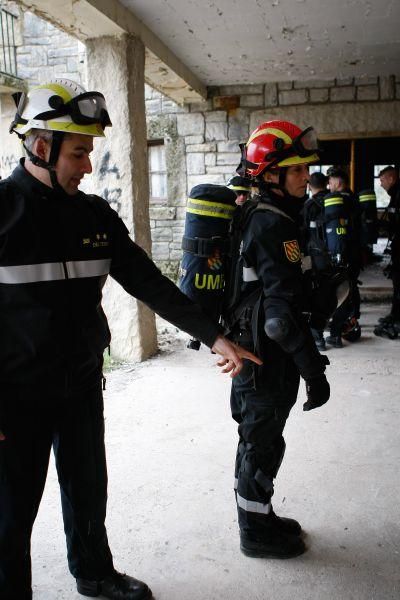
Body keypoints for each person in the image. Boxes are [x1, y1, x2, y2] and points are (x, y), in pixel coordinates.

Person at [0, 79, 261, 600]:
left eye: (90, 152)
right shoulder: (3, 213)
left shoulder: (93, 215)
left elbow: (147, 281)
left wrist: (214, 337)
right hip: (15, 396)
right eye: (79, 152)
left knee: (87, 489)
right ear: (42, 146)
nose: (88, 165)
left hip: (77, 383)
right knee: (11, 513)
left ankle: (94, 573)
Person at [227, 120, 330, 559]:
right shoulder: (272, 225)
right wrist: (314, 373)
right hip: (267, 355)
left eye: (306, 168)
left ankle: (259, 513)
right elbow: (280, 321)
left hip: (261, 355)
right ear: (270, 175)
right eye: (296, 170)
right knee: (261, 440)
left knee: (260, 438)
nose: (305, 176)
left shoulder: (269, 215)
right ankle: (255, 532)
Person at [325, 167, 362, 348]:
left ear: (338, 182)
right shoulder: (354, 199)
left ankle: (336, 332)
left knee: (342, 292)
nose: (329, 185)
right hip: (354, 252)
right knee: (352, 288)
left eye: (331, 181)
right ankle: (352, 321)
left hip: (342, 253)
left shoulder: (339, 201)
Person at [302, 171, 330, 350]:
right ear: (327, 183)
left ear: (310, 186)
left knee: (316, 291)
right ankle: (337, 331)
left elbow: (303, 231)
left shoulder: (309, 205)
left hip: (316, 254)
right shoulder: (335, 201)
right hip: (337, 253)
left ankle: (318, 337)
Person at [374, 166, 400, 338]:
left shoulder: (398, 195)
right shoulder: (395, 195)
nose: (381, 183)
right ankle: (395, 315)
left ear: (391, 178)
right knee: (396, 283)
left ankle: (397, 321)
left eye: (382, 180)